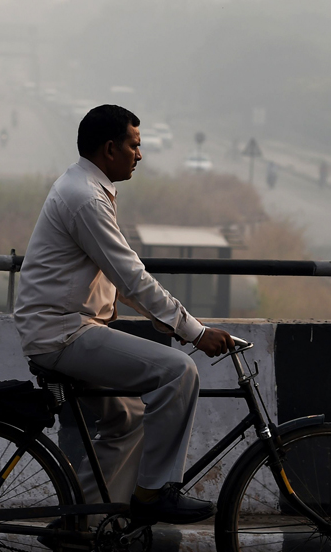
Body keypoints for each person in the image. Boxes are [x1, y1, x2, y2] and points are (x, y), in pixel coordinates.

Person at [14, 104, 233, 527]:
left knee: (130, 419)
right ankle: (154, 494)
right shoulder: (85, 199)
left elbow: (120, 280)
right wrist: (194, 332)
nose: (140, 154)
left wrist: (173, 322)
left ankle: (77, 525)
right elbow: (131, 276)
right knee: (179, 372)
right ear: (110, 148)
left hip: (64, 328)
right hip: (63, 333)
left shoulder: (84, 187)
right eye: (135, 144)